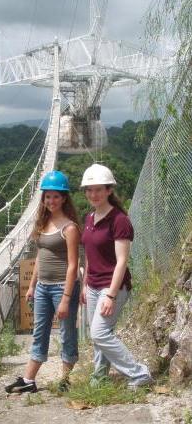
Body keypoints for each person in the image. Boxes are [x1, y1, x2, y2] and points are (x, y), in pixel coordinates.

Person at [5, 170, 81, 394]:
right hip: (42, 288)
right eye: (47, 196)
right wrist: (31, 286)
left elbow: (73, 266)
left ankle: (65, 379)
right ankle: (29, 380)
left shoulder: (70, 228)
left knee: (67, 333)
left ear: (64, 198)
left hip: (62, 288)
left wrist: (66, 299)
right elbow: (40, 256)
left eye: (56, 196)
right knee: (40, 332)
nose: (51, 200)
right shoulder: (42, 223)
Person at [80, 163, 152, 389]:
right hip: (92, 285)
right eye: (89, 190)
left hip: (112, 286)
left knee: (99, 333)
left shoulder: (119, 220)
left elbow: (122, 261)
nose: (93, 194)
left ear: (109, 190)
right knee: (100, 332)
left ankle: (139, 373)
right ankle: (99, 374)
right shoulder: (90, 218)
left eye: (98, 189)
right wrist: (84, 285)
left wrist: (110, 295)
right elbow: (90, 255)